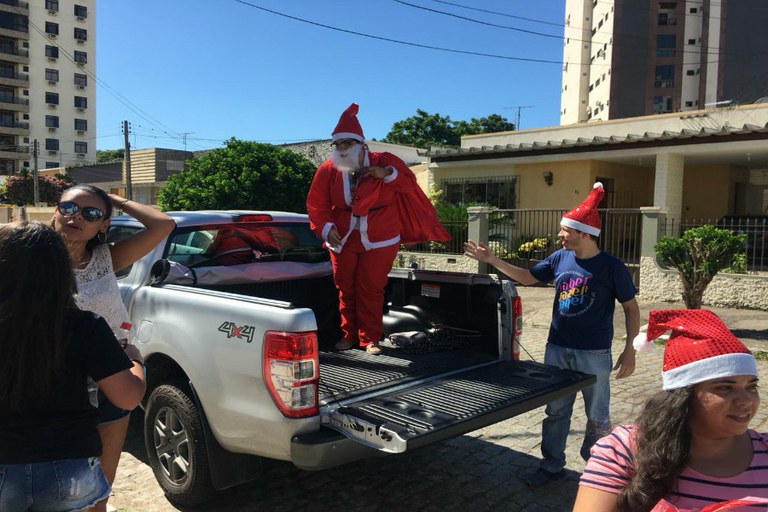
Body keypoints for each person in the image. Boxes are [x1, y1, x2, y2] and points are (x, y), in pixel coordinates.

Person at [463, 182, 640, 486]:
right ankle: (551, 465)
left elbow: (632, 308)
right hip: (556, 348)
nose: (560, 235)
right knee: (556, 410)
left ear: (584, 233)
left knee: (597, 415)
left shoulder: (612, 267)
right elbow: (528, 278)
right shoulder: (560, 258)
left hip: (594, 353)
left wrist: (629, 351)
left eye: (565, 231)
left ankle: (601, 469)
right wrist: (491, 261)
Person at [0, 221, 146, 512]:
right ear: (62, 271)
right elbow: (127, 397)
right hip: (68, 469)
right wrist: (135, 361)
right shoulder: (84, 326)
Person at [52, 184, 175, 512]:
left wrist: (114, 199)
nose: (77, 216)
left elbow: (164, 225)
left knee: (100, 488)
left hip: (113, 377)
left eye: (91, 213)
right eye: (69, 208)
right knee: (57, 485)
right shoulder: (32, 257)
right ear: (56, 211)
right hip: (58, 385)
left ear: (103, 224)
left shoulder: (107, 257)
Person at [574, 309, 767, 512]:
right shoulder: (624, 451)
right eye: (725, 388)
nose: (747, 400)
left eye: (751, 386)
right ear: (683, 396)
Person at [306, 103, 449, 355]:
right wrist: (326, 227)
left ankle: (369, 338)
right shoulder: (327, 169)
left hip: (381, 236)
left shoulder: (384, 161)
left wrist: (387, 173)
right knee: (345, 288)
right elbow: (316, 204)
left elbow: (408, 184)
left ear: (361, 143)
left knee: (371, 288)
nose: (341, 149)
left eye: (347, 144)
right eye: (337, 145)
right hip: (342, 236)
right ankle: (349, 335)